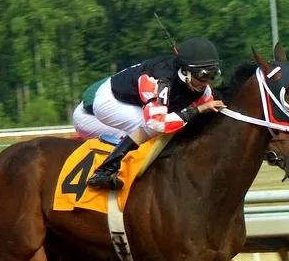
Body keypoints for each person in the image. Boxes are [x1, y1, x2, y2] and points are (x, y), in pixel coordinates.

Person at [72, 37, 226, 191]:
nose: (206, 82)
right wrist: (197, 110)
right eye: (202, 75)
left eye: (212, 75)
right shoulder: (159, 80)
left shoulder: (199, 85)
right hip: (110, 101)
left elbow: (209, 107)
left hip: (136, 101)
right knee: (152, 128)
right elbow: (157, 123)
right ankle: (104, 171)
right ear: (186, 71)